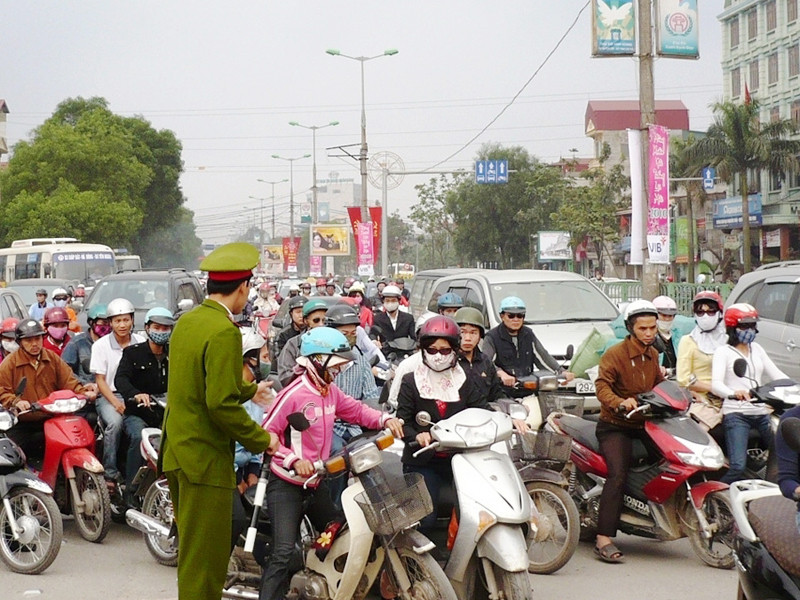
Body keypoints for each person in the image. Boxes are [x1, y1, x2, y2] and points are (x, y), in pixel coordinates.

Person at [161, 242, 278, 600]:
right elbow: (219, 404)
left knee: (193, 555)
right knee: (207, 564)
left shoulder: (188, 322)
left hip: (178, 452)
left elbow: (199, 385)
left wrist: (250, 391)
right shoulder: (224, 331)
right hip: (204, 459)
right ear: (243, 287)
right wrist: (262, 439)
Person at [260, 327, 403, 600]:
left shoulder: (330, 392)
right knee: (283, 552)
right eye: (335, 365)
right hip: (287, 484)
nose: (338, 370)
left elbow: (356, 411)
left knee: (337, 532)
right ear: (317, 360)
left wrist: (384, 419)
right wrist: (293, 460)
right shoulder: (293, 394)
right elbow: (266, 434)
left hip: (316, 482)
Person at [395, 315, 488, 533]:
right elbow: (403, 421)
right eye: (432, 350)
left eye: (445, 351)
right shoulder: (410, 381)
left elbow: (481, 411)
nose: (438, 356)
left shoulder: (466, 379)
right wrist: (417, 436)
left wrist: (509, 418)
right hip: (423, 461)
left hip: (462, 460)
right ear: (423, 350)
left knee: (477, 513)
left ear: (455, 351)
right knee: (426, 519)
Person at [592, 300, 664, 563]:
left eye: (653, 328)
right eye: (643, 328)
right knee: (618, 474)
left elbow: (659, 385)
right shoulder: (615, 354)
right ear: (631, 328)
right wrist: (619, 402)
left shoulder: (653, 354)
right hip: (615, 426)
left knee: (671, 460)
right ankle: (603, 538)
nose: (649, 333)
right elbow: (602, 387)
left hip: (644, 423)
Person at [0, 319, 98, 462]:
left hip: (51, 418)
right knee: (12, 458)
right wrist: (16, 401)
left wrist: (84, 392)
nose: (34, 344)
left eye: (37, 339)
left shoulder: (52, 358)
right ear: (20, 342)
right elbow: (2, 390)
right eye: (28, 340)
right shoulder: (10, 363)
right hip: (22, 422)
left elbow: (69, 381)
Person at [711, 303, 787, 484]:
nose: (750, 330)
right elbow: (716, 384)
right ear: (732, 328)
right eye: (745, 326)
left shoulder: (757, 349)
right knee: (738, 466)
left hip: (761, 412)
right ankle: (716, 493)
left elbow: (777, 375)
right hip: (737, 414)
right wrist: (733, 393)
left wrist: (793, 386)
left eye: (752, 325)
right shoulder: (723, 352)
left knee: (784, 456)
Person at [114, 307, 174, 509]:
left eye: (165, 328)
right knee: (138, 437)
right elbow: (120, 379)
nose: (161, 332)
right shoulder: (132, 353)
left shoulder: (175, 354)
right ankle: (130, 491)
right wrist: (136, 394)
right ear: (147, 328)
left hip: (165, 413)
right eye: (157, 327)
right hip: (138, 413)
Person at [89, 297, 146, 488]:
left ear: (132, 320)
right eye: (117, 320)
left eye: (126, 320)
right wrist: (115, 402)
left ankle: (139, 475)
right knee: (115, 423)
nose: (122, 325)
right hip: (109, 396)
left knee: (142, 432)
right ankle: (110, 473)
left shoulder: (141, 342)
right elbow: (100, 380)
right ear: (111, 323)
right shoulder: (100, 346)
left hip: (135, 395)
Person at [483, 296, 574, 398]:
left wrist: (562, 372)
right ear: (502, 316)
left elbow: (543, 357)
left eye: (520, 315)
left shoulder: (528, 334)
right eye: (511, 316)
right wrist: (501, 374)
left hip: (528, 391)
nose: (516, 319)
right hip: (501, 393)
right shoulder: (492, 337)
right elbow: (486, 362)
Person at [235, 330, 279, 495]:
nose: (268, 362)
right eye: (265, 357)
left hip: (247, 467)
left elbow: (257, 431)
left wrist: (253, 471)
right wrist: (237, 479)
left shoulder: (259, 391)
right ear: (250, 360)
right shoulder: (231, 394)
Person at [677, 291, 727, 433]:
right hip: (701, 400)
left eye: (711, 312)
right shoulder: (688, 341)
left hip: (729, 398)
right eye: (700, 312)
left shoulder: (727, 340)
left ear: (719, 313)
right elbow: (684, 379)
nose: (705, 316)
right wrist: (713, 388)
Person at [454, 307, 502, 403]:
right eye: (462, 332)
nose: (468, 338)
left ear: (480, 336)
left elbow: (496, 392)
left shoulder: (485, 362)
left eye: (473, 333)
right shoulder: (449, 362)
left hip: (484, 410)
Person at [277, 297, 329, 386]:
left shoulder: (334, 343)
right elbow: (285, 376)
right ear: (306, 321)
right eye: (316, 320)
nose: (321, 324)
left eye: (324, 321)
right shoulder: (293, 344)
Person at [62, 304, 109, 385]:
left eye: (109, 323)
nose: (106, 326)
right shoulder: (77, 343)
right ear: (91, 322)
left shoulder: (113, 343)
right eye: (103, 323)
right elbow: (64, 370)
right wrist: (84, 384)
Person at [652, 295, 680, 370]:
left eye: (670, 316)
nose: (667, 319)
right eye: (663, 315)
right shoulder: (649, 337)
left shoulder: (677, 335)